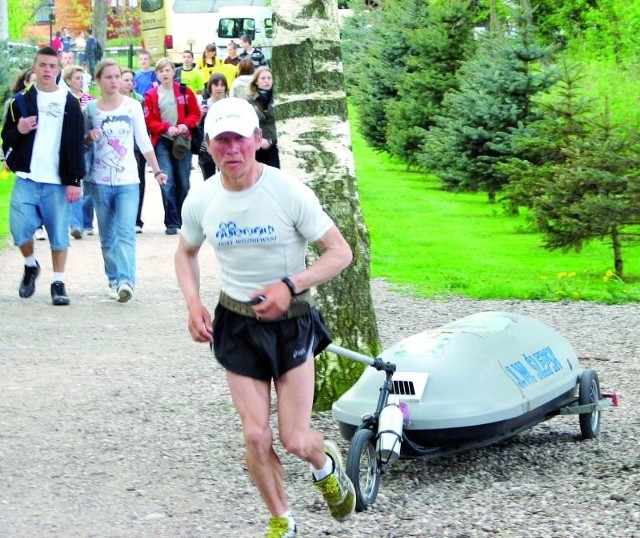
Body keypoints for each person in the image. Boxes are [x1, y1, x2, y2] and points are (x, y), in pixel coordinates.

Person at [174, 97, 355, 538]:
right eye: (222, 140)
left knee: (295, 439)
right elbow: (186, 252)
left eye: (240, 138)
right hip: (235, 324)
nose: (232, 149)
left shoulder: (287, 192)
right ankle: (282, 520)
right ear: (209, 146)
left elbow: (341, 253)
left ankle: (324, 461)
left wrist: (289, 285)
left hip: (291, 322)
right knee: (255, 436)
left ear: (258, 140)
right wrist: (193, 302)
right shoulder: (202, 199)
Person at [1, 46, 86, 306]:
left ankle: (58, 282)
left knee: (59, 233)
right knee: (19, 229)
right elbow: (7, 137)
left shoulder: (69, 102)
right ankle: (30, 265)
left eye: (52, 66)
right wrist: (20, 128)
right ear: (34, 69)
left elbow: (75, 143)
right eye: (42, 65)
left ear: (58, 70)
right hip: (27, 176)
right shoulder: (21, 102)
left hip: (57, 181)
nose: (47, 70)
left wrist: (74, 181)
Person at [84, 59, 168, 302]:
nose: (113, 81)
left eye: (116, 76)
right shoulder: (91, 110)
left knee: (125, 233)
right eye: (108, 77)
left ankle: (126, 281)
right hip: (99, 180)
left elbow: (143, 141)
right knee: (107, 235)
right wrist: (89, 137)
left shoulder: (132, 106)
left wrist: (157, 170)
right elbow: (81, 144)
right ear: (98, 80)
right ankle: (113, 278)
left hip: (128, 180)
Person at [143, 57, 200, 235]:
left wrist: (185, 125)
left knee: (183, 181)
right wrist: (167, 127)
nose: (164, 74)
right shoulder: (151, 95)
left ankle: (184, 219)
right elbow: (149, 121)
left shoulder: (184, 91)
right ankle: (172, 222)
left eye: (167, 70)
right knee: (167, 181)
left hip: (182, 141)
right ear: (157, 74)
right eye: (161, 71)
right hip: (162, 140)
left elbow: (196, 113)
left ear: (173, 72)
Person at [63, 64, 96, 239]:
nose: (80, 81)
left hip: (89, 145)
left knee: (89, 185)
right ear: (68, 81)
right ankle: (75, 223)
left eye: (82, 77)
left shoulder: (90, 100)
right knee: (74, 183)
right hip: (71, 147)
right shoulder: (64, 99)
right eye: (77, 78)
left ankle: (87, 222)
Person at [120, 67, 147, 233]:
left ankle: (136, 218)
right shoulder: (113, 100)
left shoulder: (139, 100)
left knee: (139, 181)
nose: (129, 83)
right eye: (126, 80)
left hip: (137, 146)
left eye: (131, 80)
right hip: (120, 146)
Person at [246, 66, 279, 168]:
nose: (267, 81)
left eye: (269, 78)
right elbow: (247, 123)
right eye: (263, 78)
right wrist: (259, 139)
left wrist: (272, 140)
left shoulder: (279, 98)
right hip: (256, 145)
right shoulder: (249, 100)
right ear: (256, 81)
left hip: (275, 144)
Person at [197, 72, 227, 179]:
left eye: (222, 85)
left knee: (226, 179)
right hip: (206, 148)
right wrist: (201, 115)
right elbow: (195, 126)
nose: (219, 88)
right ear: (210, 86)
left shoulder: (229, 104)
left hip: (225, 147)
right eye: (216, 85)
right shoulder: (203, 104)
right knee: (209, 181)